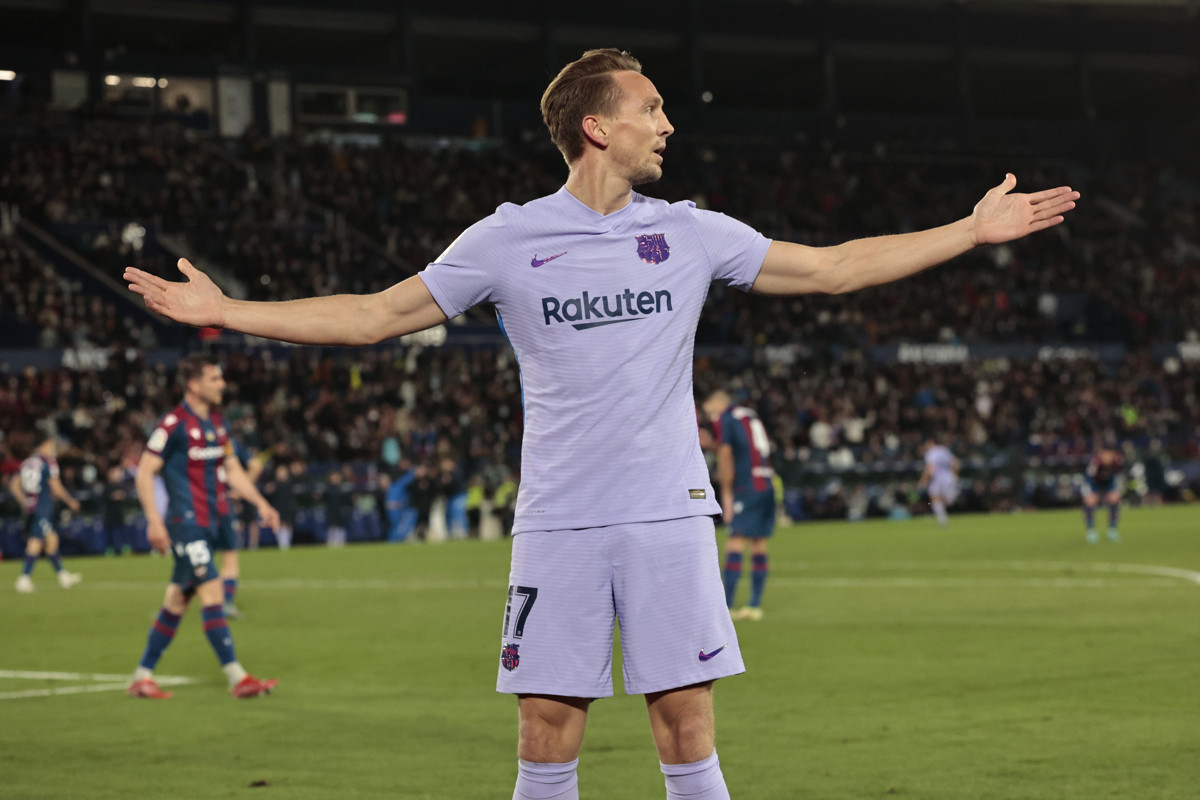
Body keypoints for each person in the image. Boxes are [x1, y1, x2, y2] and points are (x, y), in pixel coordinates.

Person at [124, 47, 1079, 798]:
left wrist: (967, 231)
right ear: (596, 126)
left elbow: (830, 267)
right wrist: (227, 312)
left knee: (686, 730)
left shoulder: (693, 232)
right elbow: (375, 315)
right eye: (651, 108)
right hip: (559, 520)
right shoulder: (506, 238)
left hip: (668, 513)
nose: (667, 123)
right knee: (546, 732)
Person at [126, 354, 281, 700]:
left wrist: (261, 503)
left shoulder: (217, 424)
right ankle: (237, 677)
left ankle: (141, 675)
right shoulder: (173, 424)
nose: (222, 384)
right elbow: (145, 471)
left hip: (214, 520)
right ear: (194, 385)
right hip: (186, 523)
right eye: (215, 379)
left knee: (177, 601)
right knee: (212, 592)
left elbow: (233, 470)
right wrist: (154, 520)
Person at [702, 389, 776, 622]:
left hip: (747, 486)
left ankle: (727, 606)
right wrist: (714, 445)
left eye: (709, 410)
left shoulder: (726, 418)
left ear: (716, 402)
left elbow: (726, 454)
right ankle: (754, 604)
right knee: (758, 542)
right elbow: (747, 449)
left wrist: (725, 494)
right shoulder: (748, 415)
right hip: (766, 482)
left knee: (735, 540)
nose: (710, 416)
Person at [10, 436, 82, 592]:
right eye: (50, 445)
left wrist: (24, 501)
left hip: (33, 507)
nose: (53, 449)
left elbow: (14, 485)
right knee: (38, 540)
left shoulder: (27, 463)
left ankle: (63, 576)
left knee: (51, 539)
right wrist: (70, 501)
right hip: (42, 507)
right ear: (43, 445)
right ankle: (24, 578)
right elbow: (55, 486)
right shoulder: (47, 463)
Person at [216, 438, 265, 618]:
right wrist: (240, 490)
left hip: (194, 504)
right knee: (230, 556)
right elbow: (256, 466)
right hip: (224, 503)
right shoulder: (226, 439)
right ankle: (226, 603)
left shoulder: (187, 434)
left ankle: (176, 605)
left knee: (193, 560)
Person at [1083, 445, 1124, 544]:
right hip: (1093, 483)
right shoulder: (1094, 462)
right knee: (1090, 501)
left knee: (1114, 499)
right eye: (1105, 454)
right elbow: (1088, 478)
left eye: (1110, 454)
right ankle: (1091, 530)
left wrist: (1118, 491)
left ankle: (1112, 530)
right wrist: (1088, 493)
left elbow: (1119, 475)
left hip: (1109, 483)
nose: (1107, 457)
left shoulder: (1118, 460)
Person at [918, 439, 961, 527]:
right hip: (949, 478)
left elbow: (930, 468)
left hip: (939, 479)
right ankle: (943, 520)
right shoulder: (944, 450)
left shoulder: (930, 453)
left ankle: (942, 520)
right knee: (938, 499)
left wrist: (923, 481)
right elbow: (956, 463)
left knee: (936, 499)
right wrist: (955, 476)